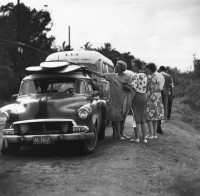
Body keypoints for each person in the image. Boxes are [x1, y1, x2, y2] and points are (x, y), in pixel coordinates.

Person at [88, 60, 132, 140]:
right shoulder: (112, 76)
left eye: (117, 66)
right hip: (115, 100)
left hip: (124, 100)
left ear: (122, 68)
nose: (115, 67)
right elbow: (101, 74)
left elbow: (131, 88)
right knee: (116, 119)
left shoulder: (128, 77)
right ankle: (118, 135)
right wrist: (90, 70)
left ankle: (121, 134)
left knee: (122, 118)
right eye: (116, 66)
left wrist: (127, 88)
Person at [130, 59, 148, 143]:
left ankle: (137, 138)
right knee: (143, 119)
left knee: (136, 118)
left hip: (136, 97)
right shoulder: (145, 76)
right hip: (143, 96)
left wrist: (130, 100)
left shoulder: (135, 76)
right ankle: (144, 138)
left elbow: (134, 89)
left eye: (133, 65)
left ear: (137, 66)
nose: (132, 67)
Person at [145, 63, 164, 139]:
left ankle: (150, 134)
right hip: (158, 98)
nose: (146, 70)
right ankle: (155, 134)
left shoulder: (149, 77)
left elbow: (147, 88)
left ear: (150, 69)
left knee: (149, 118)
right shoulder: (157, 76)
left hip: (151, 98)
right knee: (155, 118)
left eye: (147, 69)